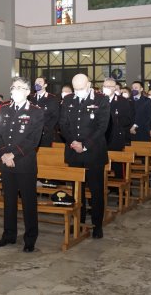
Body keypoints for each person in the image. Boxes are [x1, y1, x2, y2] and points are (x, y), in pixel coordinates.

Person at [0, 76, 44, 252]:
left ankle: (30, 239)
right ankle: (8, 235)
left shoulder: (36, 111)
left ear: (28, 92)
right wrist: (3, 155)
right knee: (9, 201)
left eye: (20, 87)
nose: (15, 90)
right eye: (13, 86)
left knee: (29, 203)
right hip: (6, 163)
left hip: (25, 163)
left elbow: (33, 140)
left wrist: (13, 154)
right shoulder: (4, 110)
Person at [59, 73, 110, 239]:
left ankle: (97, 225)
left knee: (96, 191)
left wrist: (85, 145)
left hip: (94, 152)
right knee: (76, 191)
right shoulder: (68, 100)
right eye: (75, 89)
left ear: (88, 85)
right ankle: (78, 221)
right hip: (74, 151)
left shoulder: (101, 100)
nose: (78, 91)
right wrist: (73, 142)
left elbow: (102, 127)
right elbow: (63, 124)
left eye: (81, 88)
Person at [103, 77, 132, 152]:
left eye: (109, 86)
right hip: (100, 140)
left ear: (114, 88)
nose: (107, 88)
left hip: (115, 138)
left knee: (116, 162)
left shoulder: (122, 101)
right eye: (105, 86)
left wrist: (113, 119)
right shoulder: (98, 100)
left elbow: (127, 120)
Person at [29, 77, 60, 147]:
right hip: (30, 134)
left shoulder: (52, 98)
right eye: (36, 82)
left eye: (39, 82)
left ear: (45, 85)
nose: (37, 84)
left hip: (45, 134)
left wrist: (44, 129)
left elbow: (55, 117)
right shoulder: (30, 98)